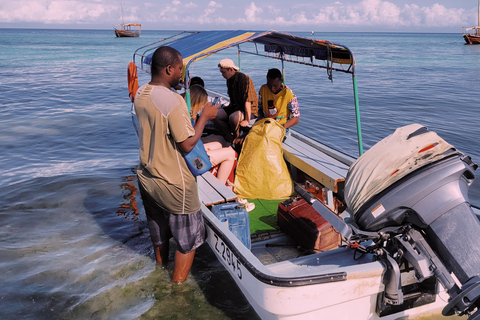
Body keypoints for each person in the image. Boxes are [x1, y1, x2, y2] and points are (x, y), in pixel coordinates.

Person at [134, 46, 219, 283]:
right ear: (169, 68)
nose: (182, 74)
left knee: (159, 232)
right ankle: (177, 289)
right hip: (175, 183)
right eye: (180, 68)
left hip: (147, 176)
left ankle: (160, 271)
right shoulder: (172, 101)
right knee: (189, 240)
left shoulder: (142, 93)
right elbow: (187, 145)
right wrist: (204, 117)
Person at [189, 84, 236, 185]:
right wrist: (204, 117)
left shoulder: (189, 113)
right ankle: (220, 188)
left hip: (191, 151)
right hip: (192, 161)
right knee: (230, 153)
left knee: (218, 144)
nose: (203, 107)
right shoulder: (190, 117)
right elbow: (191, 142)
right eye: (202, 104)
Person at [214, 58, 258, 143]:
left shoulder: (244, 79)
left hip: (249, 109)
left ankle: (237, 138)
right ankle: (229, 136)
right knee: (215, 115)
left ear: (230, 70)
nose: (222, 75)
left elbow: (247, 101)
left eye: (223, 72)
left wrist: (247, 120)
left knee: (233, 118)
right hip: (235, 106)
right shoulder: (229, 80)